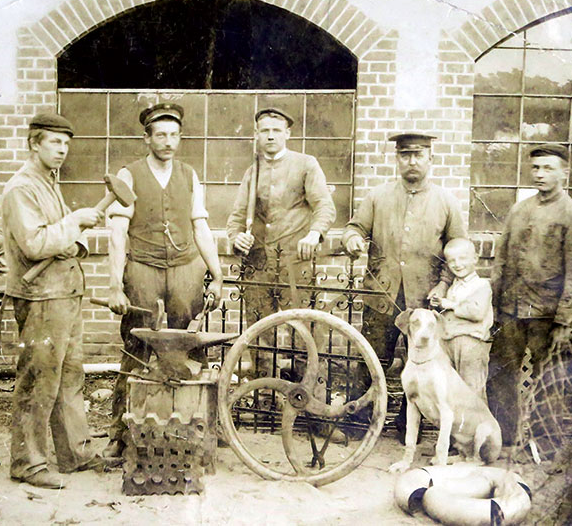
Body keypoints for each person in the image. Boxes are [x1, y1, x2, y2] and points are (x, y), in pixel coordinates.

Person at [103, 103, 224, 458]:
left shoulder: (189, 175)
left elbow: (200, 225)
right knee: (137, 347)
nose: (168, 142)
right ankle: (120, 432)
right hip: (143, 267)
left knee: (191, 344)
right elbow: (117, 233)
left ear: (179, 137)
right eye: (160, 135)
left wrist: (216, 275)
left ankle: (200, 425)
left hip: (185, 268)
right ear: (147, 138)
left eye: (174, 135)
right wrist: (114, 284)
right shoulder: (130, 174)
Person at [1, 111, 111, 488]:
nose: (62, 150)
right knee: (38, 380)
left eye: (66, 143)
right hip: (41, 298)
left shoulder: (47, 182)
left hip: (64, 292)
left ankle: (74, 453)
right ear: (34, 143)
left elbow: (60, 238)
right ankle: (28, 463)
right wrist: (76, 220)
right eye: (54, 142)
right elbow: (34, 244)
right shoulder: (21, 188)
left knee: (69, 376)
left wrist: (73, 235)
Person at [342, 132, 467, 440]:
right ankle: (358, 421)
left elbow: (459, 246)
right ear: (397, 159)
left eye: (418, 155)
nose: (412, 161)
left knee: (422, 362)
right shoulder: (378, 196)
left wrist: (444, 284)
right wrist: (353, 240)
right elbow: (354, 228)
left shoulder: (446, 201)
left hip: (424, 299)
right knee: (372, 358)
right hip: (381, 294)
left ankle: (407, 425)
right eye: (405, 155)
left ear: (430, 159)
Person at [488, 143, 572, 451]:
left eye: (548, 168)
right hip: (512, 312)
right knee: (500, 373)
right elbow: (501, 259)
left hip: (547, 315)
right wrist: (495, 303)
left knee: (550, 381)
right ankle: (503, 438)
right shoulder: (520, 210)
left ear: (563, 173)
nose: (540, 174)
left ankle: (545, 443)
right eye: (536, 168)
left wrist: (564, 321)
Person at [226, 108, 336, 378]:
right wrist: (235, 237)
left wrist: (313, 234)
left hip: (295, 262)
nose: (271, 136)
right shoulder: (253, 172)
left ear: (287, 134)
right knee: (259, 330)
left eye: (277, 130)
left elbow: (324, 206)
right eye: (265, 130)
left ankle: (307, 395)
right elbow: (236, 218)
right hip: (259, 263)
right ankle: (265, 393)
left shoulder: (306, 164)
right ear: (257, 135)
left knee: (304, 330)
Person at [431, 238, 493, 401]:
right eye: (452, 261)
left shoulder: (481, 285)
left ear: (475, 259)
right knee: (451, 388)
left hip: (471, 345)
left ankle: (478, 425)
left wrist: (450, 304)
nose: (457, 264)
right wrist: (439, 306)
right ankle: (455, 425)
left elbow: (476, 312)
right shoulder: (454, 286)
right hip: (450, 342)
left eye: (462, 258)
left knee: (472, 389)